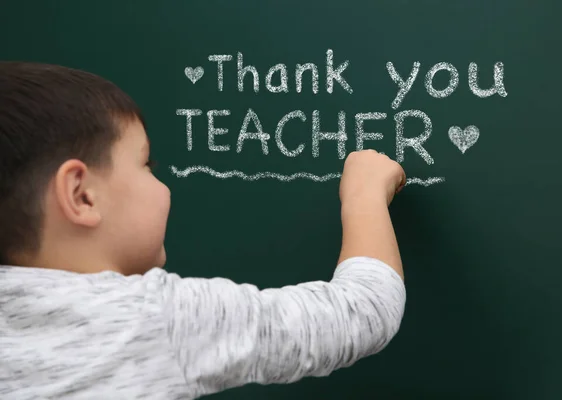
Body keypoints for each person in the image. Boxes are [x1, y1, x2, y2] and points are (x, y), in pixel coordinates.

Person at [0, 61, 408, 399]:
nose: (163, 184)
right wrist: (364, 196)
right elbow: (362, 311)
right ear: (82, 195)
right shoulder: (151, 318)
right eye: (147, 165)